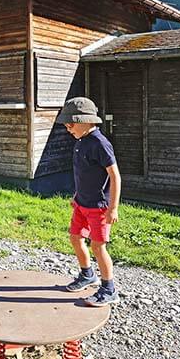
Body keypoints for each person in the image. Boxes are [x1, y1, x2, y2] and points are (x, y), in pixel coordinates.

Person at [58, 97, 121, 307]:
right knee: (75, 238)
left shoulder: (100, 144)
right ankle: (87, 275)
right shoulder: (81, 141)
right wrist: (77, 196)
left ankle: (108, 289)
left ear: (85, 121)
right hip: (81, 204)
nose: (68, 128)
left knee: (97, 246)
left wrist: (113, 208)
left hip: (99, 208)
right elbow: (85, 174)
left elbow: (115, 176)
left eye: (70, 123)